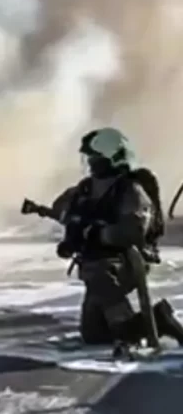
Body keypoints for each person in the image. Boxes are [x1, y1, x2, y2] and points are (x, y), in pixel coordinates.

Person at [45, 128, 183, 348]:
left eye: (96, 158)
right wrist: (74, 226)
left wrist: (97, 233)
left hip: (123, 262)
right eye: (90, 158)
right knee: (94, 336)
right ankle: (159, 319)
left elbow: (133, 232)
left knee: (104, 286)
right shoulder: (87, 188)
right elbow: (62, 207)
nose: (91, 163)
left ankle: (134, 332)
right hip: (94, 264)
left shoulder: (130, 189)